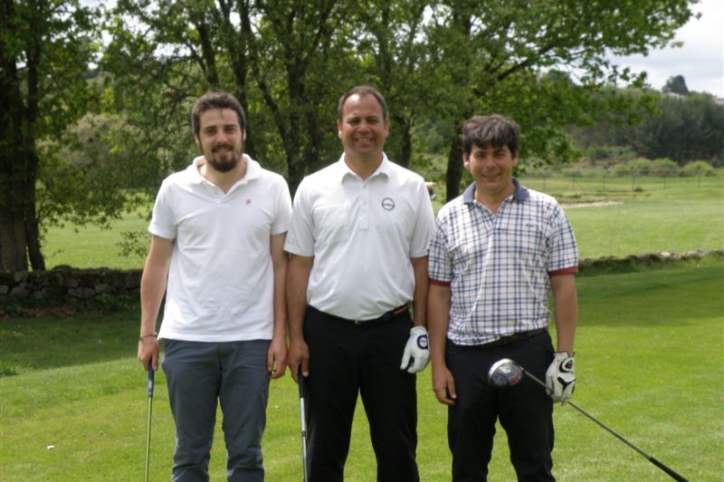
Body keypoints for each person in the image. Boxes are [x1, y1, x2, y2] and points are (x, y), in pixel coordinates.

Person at [137, 90, 292, 482]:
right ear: (198, 139)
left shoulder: (273, 187)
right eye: (211, 131)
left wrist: (281, 335)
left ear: (243, 132)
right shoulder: (174, 188)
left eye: (229, 128)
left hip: (252, 340)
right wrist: (147, 333)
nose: (221, 137)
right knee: (189, 456)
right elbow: (157, 262)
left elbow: (281, 266)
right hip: (187, 339)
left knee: (246, 456)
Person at [285, 85, 435, 482]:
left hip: (392, 333)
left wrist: (421, 329)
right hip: (326, 334)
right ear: (339, 127)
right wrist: (295, 337)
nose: (363, 128)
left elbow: (422, 265)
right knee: (324, 452)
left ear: (386, 126)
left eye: (372, 120)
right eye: (354, 120)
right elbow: (298, 266)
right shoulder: (313, 187)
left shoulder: (411, 186)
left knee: (397, 448)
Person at [427, 114, 578, 482]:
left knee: (535, 464)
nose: (490, 164)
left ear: (514, 157)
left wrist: (565, 358)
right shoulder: (448, 216)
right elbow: (439, 294)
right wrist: (439, 364)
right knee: (467, 466)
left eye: (499, 154)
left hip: (529, 352)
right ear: (467, 160)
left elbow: (563, 286)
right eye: (480, 155)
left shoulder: (547, 210)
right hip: (466, 357)